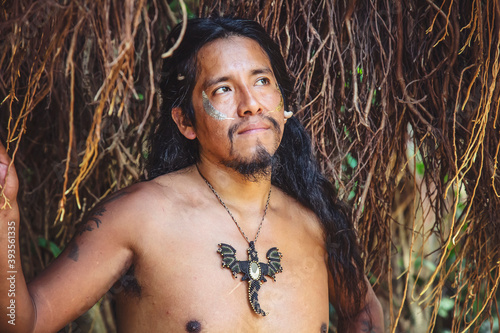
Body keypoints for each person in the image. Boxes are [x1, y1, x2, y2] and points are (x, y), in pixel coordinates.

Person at [0, 17, 383, 332]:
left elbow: (364, 314)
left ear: (284, 104)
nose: (250, 104)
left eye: (262, 81)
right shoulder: (140, 217)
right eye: (222, 90)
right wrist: (6, 215)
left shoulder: (315, 225)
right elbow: (20, 323)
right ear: (186, 121)